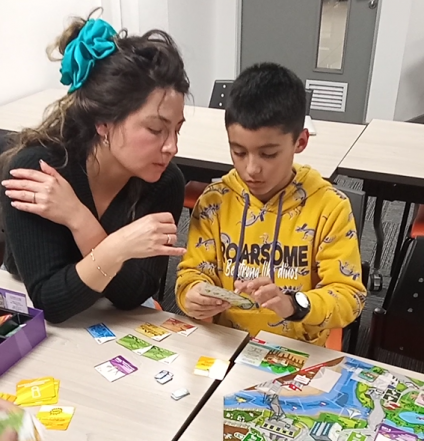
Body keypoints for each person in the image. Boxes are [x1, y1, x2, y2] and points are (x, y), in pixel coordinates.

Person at [0, 10, 189, 323]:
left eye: (177, 129)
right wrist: (120, 247)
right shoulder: (39, 170)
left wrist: (78, 218)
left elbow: (133, 295)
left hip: (110, 320)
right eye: (156, 130)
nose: (172, 147)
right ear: (103, 123)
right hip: (39, 314)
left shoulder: (165, 181)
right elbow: (51, 302)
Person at [176, 63, 366, 346]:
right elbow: (190, 275)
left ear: (300, 141)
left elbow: (349, 297)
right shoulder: (215, 201)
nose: (252, 169)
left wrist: (293, 304)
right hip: (227, 344)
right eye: (238, 152)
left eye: (268, 154)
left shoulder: (329, 207)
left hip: (296, 350)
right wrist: (191, 294)